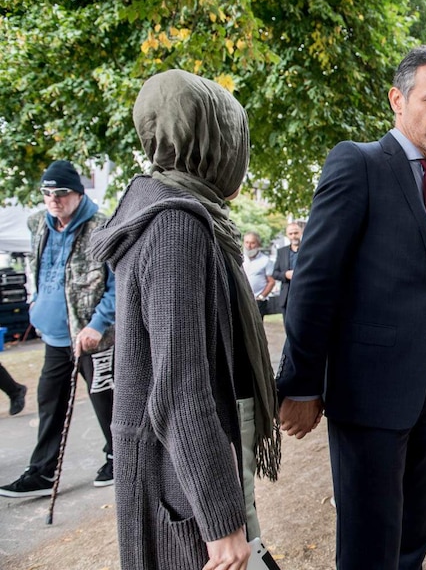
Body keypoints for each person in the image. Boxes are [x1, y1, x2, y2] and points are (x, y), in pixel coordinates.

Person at [276, 45, 426, 570]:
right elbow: (315, 281)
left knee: (413, 536)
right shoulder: (358, 163)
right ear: (397, 99)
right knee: (369, 544)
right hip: (368, 397)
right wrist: (301, 384)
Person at [90, 69, 281, 568]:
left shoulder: (165, 206)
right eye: (234, 136)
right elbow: (179, 385)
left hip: (174, 470)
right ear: (211, 140)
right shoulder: (179, 224)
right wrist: (223, 524)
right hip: (179, 482)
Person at [0, 161, 116, 498]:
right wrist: (37, 304)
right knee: (49, 400)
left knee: (106, 401)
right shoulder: (39, 224)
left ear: (78, 194)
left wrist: (97, 325)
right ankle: (42, 472)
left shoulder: (102, 226)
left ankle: (119, 456)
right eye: (47, 193)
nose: (54, 199)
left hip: (95, 339)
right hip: (54, 337)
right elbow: (42, 269)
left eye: (61, 193)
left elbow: (118, 283)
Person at [271, 222, 302, 332]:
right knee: (289, 329)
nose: (294, 236)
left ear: (301, 232)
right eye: (291, 233)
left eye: (296, 233)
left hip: (304, 294)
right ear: (287, 235)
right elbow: (275, 273)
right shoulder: (282, 252)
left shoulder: (308, 249)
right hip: (287, 297)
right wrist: (286, 274)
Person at [243, 231, 275, 318]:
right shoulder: (239, 258)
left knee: (257, 328)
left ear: (258, 244)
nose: (249, 246)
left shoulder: (265, 260)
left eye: (252, 243)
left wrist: (261, 296)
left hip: (258, 301)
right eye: (247, 242)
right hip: (242, 299)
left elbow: (271, 281)